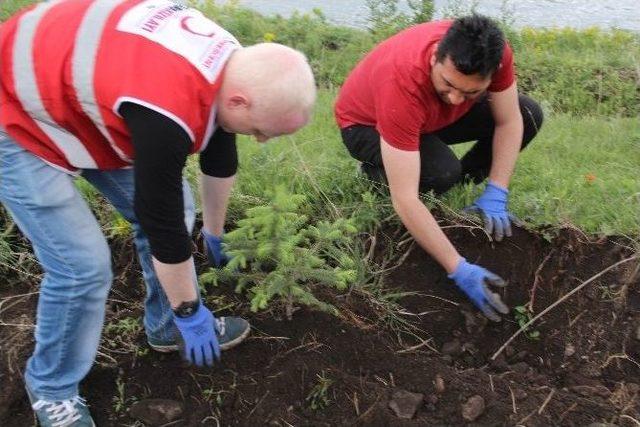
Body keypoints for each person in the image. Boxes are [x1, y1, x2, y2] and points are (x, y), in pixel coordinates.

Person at [0, 0, 316, 425]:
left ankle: (165, 326)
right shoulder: (166, 111)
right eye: (261, 131)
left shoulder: (230, 65)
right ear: (240, 102)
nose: (260, 141)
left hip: (83, 97)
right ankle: (52, 389)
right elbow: (159, 219)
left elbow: (219, 152)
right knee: (83, 267)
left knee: (184, 210)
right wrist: (191, 309)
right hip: (15, 112)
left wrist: (214, 231)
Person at [335, 15, 543, 321]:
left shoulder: (494, 56)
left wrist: (498, 189)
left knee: (529, 114)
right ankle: (375, 173)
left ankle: (466, 187)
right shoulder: (402, 82)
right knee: (440, 174)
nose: (457, 97)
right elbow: (405, 200)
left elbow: (510, 120)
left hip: (429, 118)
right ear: (435, 58)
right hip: (366, 126)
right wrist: (457, 267)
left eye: (471, 92)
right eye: (448, 83)